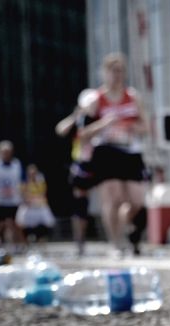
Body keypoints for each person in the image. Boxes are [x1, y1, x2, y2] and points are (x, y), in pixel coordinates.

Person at [80, 53, 149, 257]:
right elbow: (82, 133)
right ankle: (115, 243)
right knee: (113, 197)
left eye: (120, 71)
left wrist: (132, 127)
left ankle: (124, 227)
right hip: (106, 152)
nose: (117, 75)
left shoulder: (133, 97)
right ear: (105, 73)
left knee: (137, 200)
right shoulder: (95, 100)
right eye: (113, 71)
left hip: (130, 151)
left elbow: (146, 126)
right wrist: (104, 123)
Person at [55, 89, 99, 257]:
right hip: (82, 164)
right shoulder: (80, 119)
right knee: (81, 205)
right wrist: (75, 115)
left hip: (101, 163)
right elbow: (60, 130)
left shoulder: (101, 116)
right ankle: (80, 242)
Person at [0, 141, 26, 251]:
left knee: (16, 224)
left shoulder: (17, 165)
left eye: (8, 152)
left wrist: (23, 195)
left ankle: (18, 246)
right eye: (3, 152)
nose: (6, 154)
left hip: (14, 200)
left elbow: (23, 181)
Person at [16, 164, 55, 244]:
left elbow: (43, 194)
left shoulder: (40, 182)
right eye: (31, 173)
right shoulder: (24, 182)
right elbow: (22, 194)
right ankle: (24, 242)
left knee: (47, 222)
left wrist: (37, 199)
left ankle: (41, 240)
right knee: (20, 223)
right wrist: (29, 199)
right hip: (28, 206)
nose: (33, 175)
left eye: (34, 173)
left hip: (39, 206)